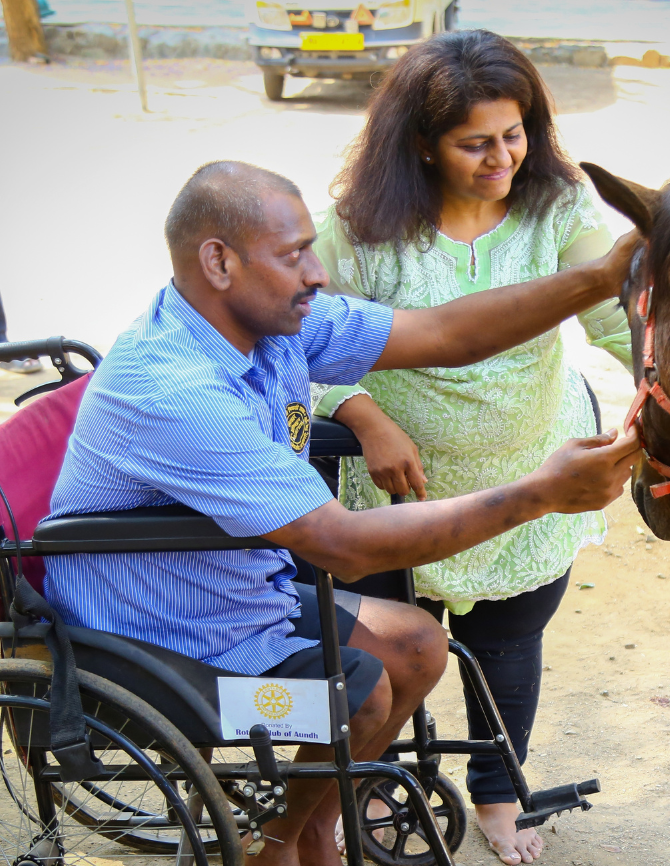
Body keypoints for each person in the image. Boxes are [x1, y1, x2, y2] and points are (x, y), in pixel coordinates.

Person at [44, 161, 639, 866]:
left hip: (232, 596)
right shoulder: (173, 388)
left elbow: (444, 334)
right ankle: (278, 843)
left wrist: (602, 277)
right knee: (359, 693)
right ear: (219, 262)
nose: (317, 272)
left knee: (418, 646)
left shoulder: (269, 326)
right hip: (156, 642)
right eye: (293, 253)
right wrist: (538, 495)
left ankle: (305, 827)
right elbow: (342, 545)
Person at [313, 30, 633, 865]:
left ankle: (497, 794)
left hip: (531, 472)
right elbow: (300, 346)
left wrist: (667, 383)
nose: (502, 158)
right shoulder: (356, 229)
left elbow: (615, 315)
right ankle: (373, 783)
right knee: (384, 650)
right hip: (393, 491)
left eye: (514, 134)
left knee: (507, 649)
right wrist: (363, 415)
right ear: (422, 143)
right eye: (475, 143)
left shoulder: (557, 208)